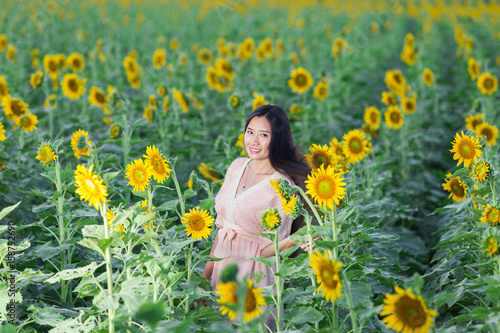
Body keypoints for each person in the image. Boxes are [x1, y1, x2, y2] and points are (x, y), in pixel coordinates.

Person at [199, 104, 316, 330]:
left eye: (263, 135)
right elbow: (223, 230)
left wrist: (295, 240)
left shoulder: (281, 185)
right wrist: (204, 280)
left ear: (278, 140)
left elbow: (268, 249)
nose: (253, 141)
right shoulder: (237, 166)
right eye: (250, 132)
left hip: (253, 280)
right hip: (222, 274)